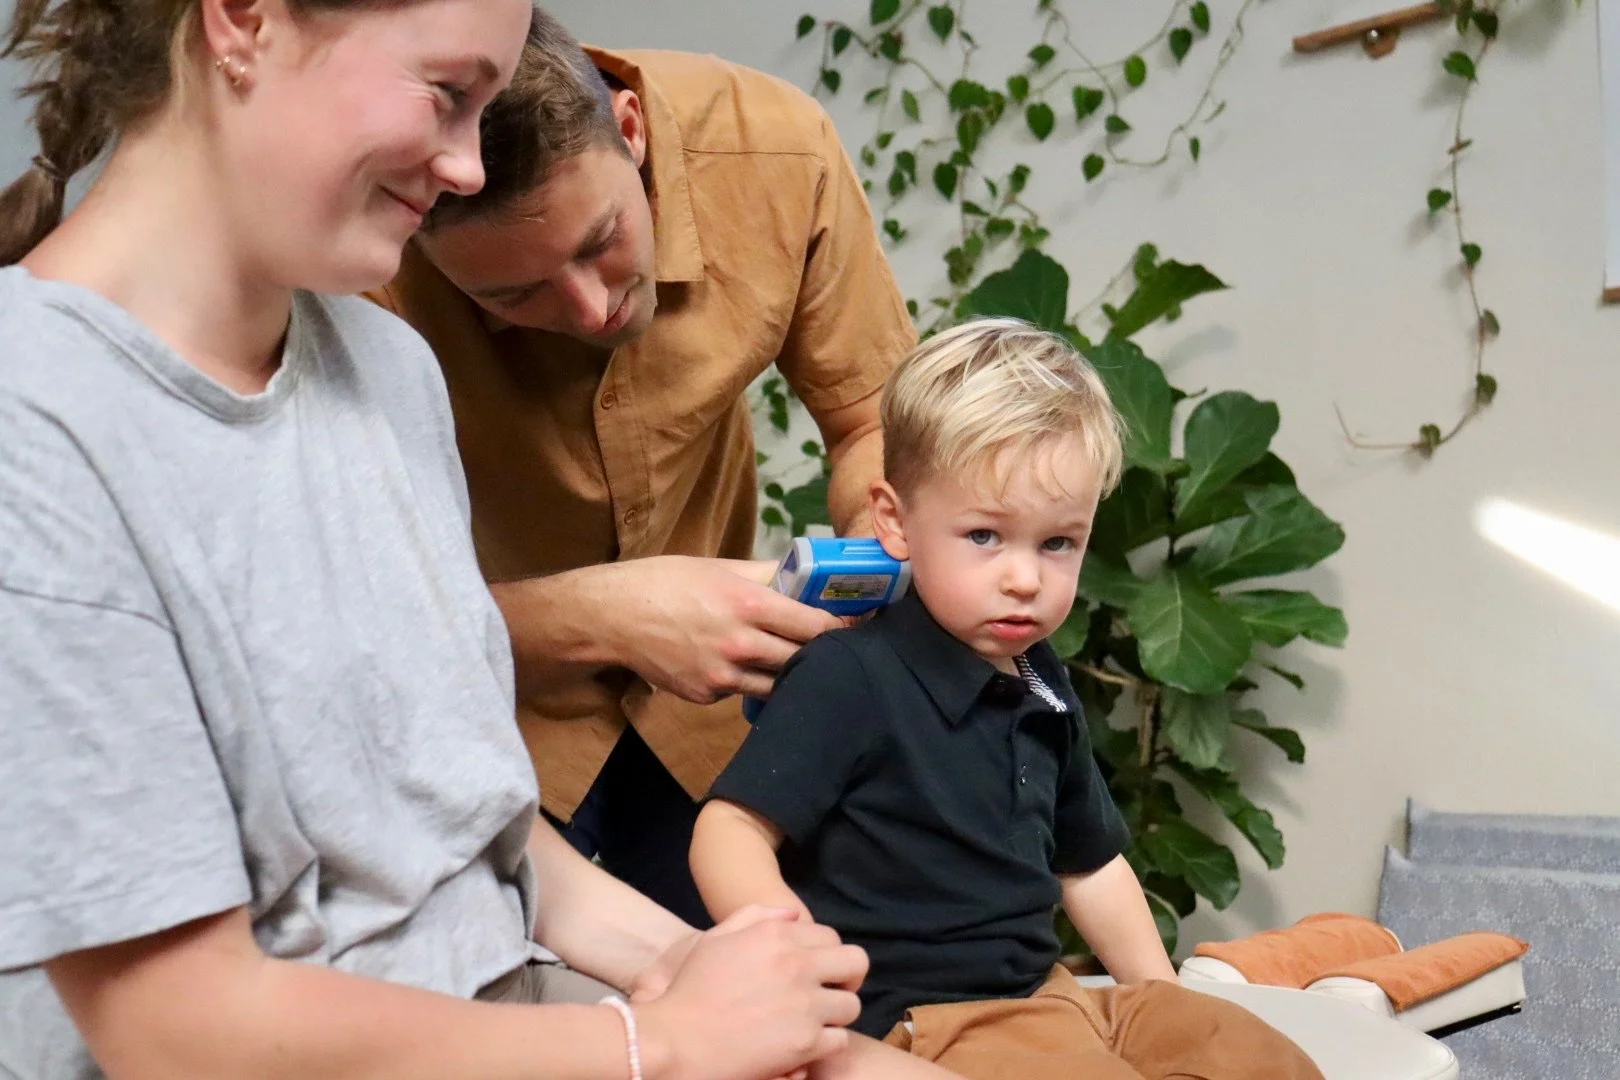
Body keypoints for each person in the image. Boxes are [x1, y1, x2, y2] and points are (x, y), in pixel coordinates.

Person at [0, 3, 954, 1080]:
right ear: (244, 23)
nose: (466, 166)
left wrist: (706, 968)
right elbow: (181, 1033)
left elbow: (466, 824)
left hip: (526, 1000)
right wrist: (665, 1040)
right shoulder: (35, 426)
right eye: (449, 95)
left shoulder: (380, 367)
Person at [365, 7, 917, 925]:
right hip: (479, 722)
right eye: (512, 293)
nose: (587, 310)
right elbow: (346, 636)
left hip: (706, 722)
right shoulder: (356, 266)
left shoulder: (776, 155)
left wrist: (877, 558)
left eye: (599, 243)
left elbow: (873, 424)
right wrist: (604, 618)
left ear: (631, 129)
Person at [689, 319, 1327, 1080]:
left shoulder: (1040, 677)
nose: (1025, 578)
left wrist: (1165, 1003)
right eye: (986, 536)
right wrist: (791, 954)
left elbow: (1089, 866)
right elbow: (728, 829)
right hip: (927, 1025)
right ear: (894, 521)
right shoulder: (849, 675)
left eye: (1058, 544)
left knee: (1253, 1054)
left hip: (1045, 995)